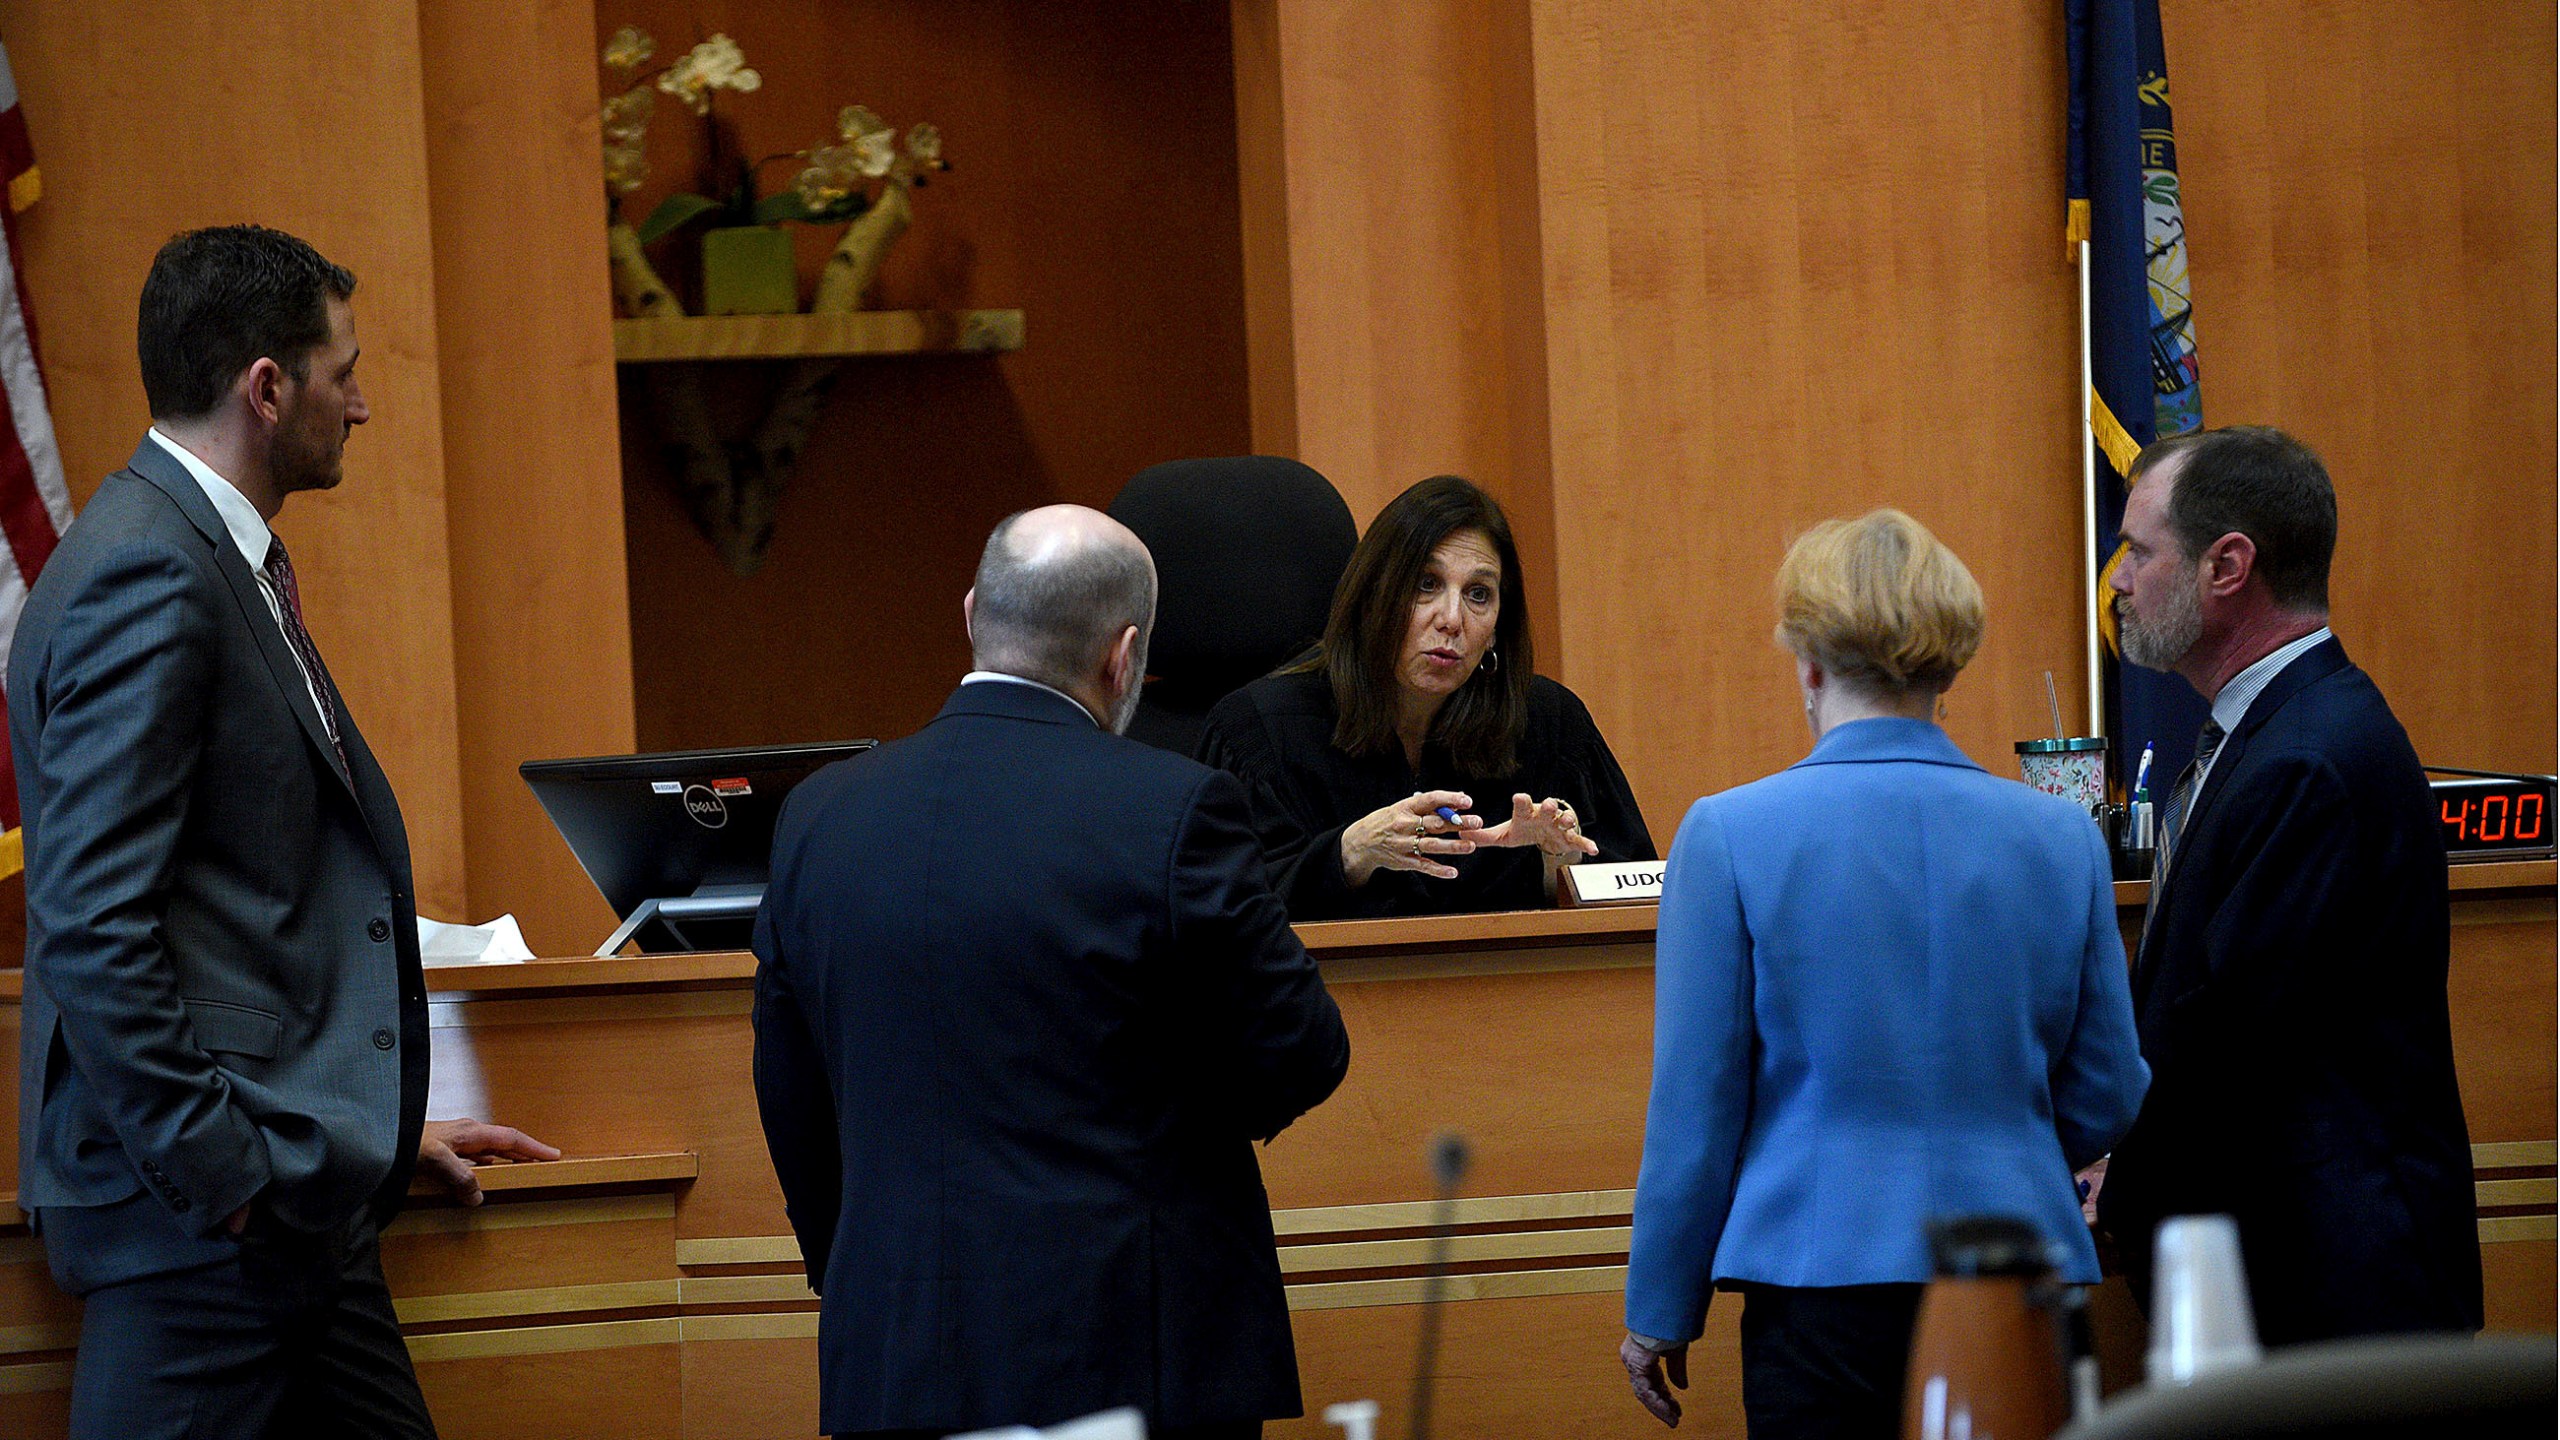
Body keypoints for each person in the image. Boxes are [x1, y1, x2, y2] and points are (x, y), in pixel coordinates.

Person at [9, 225, 556, 1438]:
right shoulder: (150, 573)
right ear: (267, 388)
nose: (359, 405)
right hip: (202, 1234)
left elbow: (226, 906)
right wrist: (236, 1180)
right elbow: (93, 931)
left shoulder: (205, 556)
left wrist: (349, 1140)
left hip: (280, 1207)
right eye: (342, 371)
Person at [750, 505, 1351, 1440]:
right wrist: (1163, 1147)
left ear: (969, 614)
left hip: (895, 1348)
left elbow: (789, 1088)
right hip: (1129, 1348)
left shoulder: (820, 818)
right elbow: (1303, 1050)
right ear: (1124, 655)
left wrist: (859, 1266)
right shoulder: (1172, 807)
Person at [1619, 510, 2148, 1438]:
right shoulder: (2063, 838)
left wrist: (1662, 1309)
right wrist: (2003, 1137)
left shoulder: (1729, 834)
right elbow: (2109, 1090)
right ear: (1948, 669)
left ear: (1810, 664)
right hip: (2020, 1279)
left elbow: (1697, 1108)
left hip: (1816, 1288)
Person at [2093, 425, 2481, 1342]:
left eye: (2140, 552)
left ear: (2227, 566)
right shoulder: (2281, 732)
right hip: (2304, 1271)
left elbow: (2233, 1040)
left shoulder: (2306, 759)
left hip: (2337, 1294)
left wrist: (2123, 1181)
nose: (2117, 580)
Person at [1197, 475, 1652, 918]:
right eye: (1426, 585)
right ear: (1372, 596)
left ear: (1497, 627)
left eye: (1478, 594)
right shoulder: (1259, 731)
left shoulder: (1550, 725)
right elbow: (1214, 920)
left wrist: (1560, 866)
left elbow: (1640, 903)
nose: (1452, 619)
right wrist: (1347, 855)